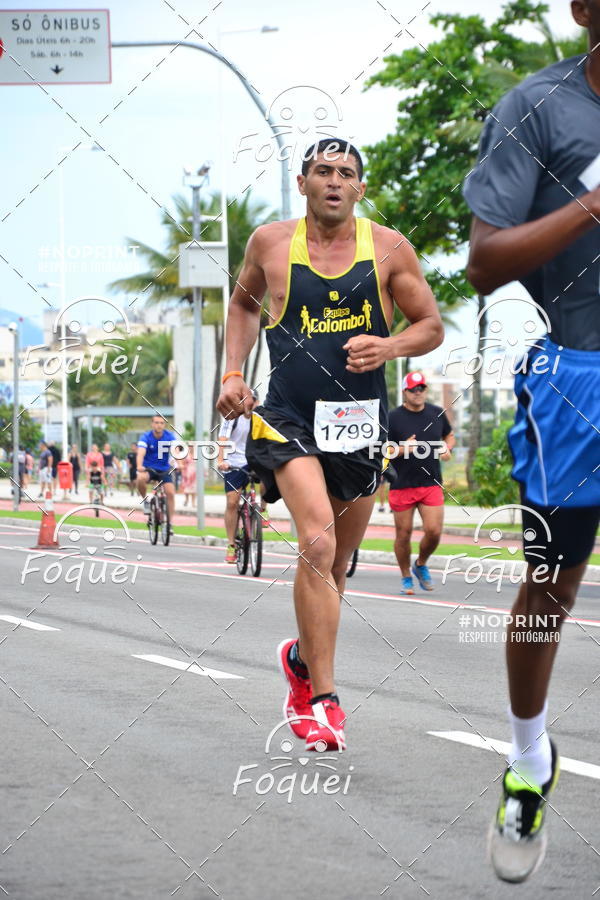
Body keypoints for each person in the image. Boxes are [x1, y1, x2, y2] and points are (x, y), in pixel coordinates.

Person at [217, 138, 443, 752]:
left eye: (346, 173)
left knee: (337, 562)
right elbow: (242, 306)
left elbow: (430, 325)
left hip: (358, 424)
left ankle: (300, 658)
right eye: (323, 171)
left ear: (360, 188)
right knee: (316, 541)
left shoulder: (389, 248)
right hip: (286, 417)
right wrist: (233, 372)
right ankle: (323, 698)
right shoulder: (269, 243)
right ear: (303, 183)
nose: (335, 181)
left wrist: (389, 346)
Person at [463, 1, 600, 882]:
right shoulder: (538, 108)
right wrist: (592, 206)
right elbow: (484, 263)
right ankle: (527, 760)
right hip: (577, 378)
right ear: (584, 10)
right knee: (552, 583)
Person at [387, 372, 454, 594]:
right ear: (404, 392)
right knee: (403, 534)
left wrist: (446, 448)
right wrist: (401, 449)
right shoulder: (392, 417)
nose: (418, 393)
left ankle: (421, 563)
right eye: (413, 389)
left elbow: (449, 436)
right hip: (401, 484)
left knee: (434, 531)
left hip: (430, 483)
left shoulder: (436, 413)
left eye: (421, 388)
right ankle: (406, 576)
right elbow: (381, 450)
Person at [217, 414, 269, 563]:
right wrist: (220, 461)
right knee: (232, 502)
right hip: (234, 463)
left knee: (268, 478)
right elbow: (222, 439)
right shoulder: (232, 418)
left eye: (254, 402)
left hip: (255, 460)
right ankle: (231, 545)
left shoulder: (262, 415)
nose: (251, 404)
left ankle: (263, 510)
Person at [136, 415, 178, 525]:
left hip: (164, 469)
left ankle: (170, 523)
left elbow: (176, 450)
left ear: (164, 425)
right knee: (140, 479)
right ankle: (145, 501)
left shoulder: (169, 436)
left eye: (161, 423)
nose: (159, 425)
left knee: (170, 493)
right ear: (152, 424)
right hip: (149, 469)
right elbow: (141, 453)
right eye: (156, 422)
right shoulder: (146, 437)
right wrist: (139, 465)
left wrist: (179, 463)